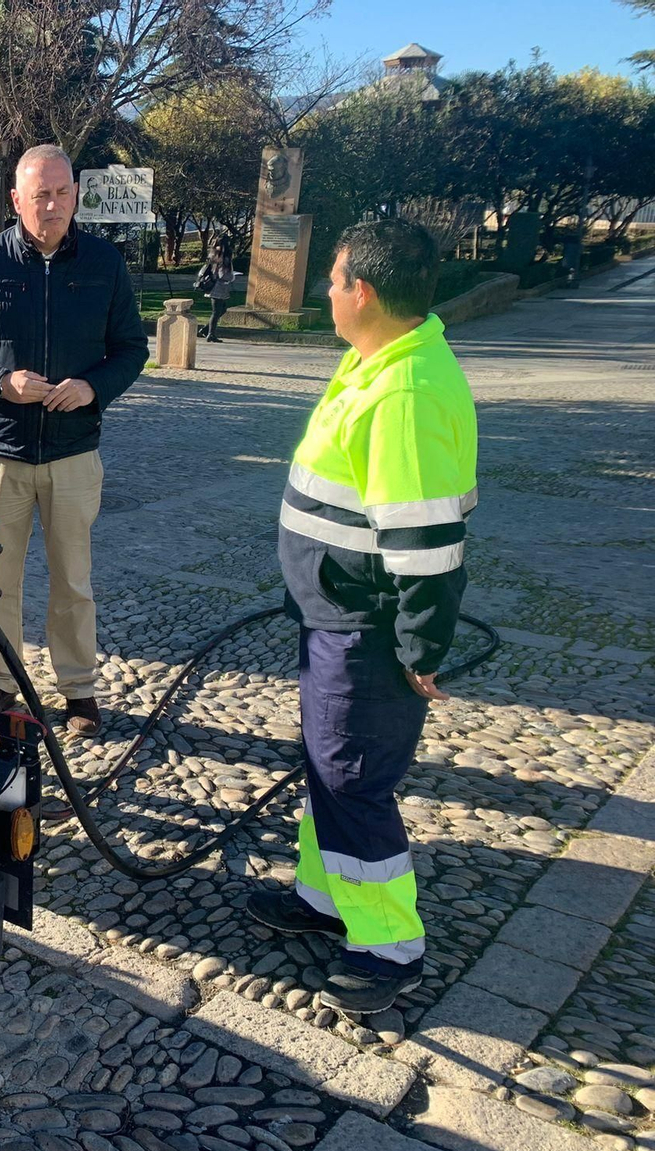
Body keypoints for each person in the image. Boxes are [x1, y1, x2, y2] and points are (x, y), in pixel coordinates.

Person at [248, 218, 478, 1016]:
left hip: (368, 633)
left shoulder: (406, 392)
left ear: (363, 292)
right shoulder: (378, 362)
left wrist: (420, 651)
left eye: (335, 278)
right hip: (334, 618)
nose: (328, 290)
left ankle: (388, 947)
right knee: (327, 768)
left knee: (351, 777)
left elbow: (425, 545)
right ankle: (325, 898)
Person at [0, 144, 148, 746]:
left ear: (75, 195)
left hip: (74, 453)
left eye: (61, 193)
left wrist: (92, 389)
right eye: (39, 195)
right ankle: (0, 690)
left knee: (72, 579)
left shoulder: (105, 264)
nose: (51, 206)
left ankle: (79, 689)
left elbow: (132, 348)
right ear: (16, 200)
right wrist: (0, 383)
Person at [196, 238, 234, 342]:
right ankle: (210, 334)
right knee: (216, 311)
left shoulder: (213, 254)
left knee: (222, 309)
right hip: (219, 286)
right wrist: (232, 277)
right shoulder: (223, 256)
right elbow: (223, 274)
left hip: (212, 285)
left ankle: (206, 330)